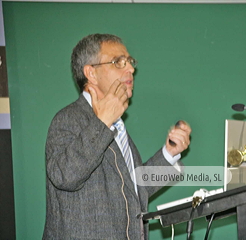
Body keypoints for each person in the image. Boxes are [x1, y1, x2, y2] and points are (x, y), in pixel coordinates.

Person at [43, 33, 191, 240]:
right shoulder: (68, 119)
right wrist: (102, 122)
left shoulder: (116, 124)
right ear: (91, 73)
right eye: (118, 62)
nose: (130, 69)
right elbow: (64, 176)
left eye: (130, 62)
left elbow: (134, 188)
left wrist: (169, 154)